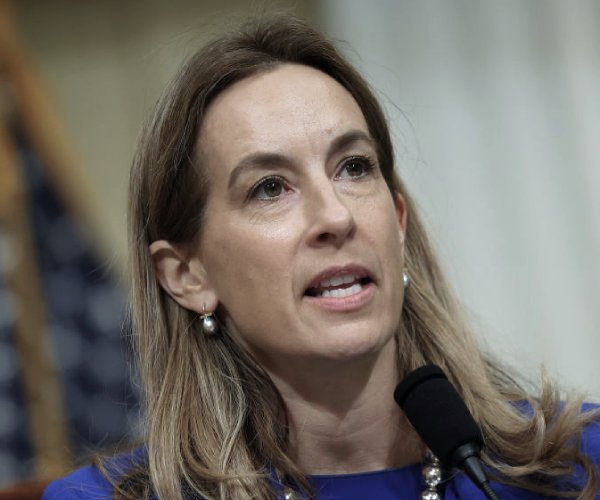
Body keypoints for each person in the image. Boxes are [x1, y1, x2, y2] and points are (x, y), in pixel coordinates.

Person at [44, 15, 600, 500]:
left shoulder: (575, 468)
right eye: (269, 188)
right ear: (188, 276)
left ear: (397, 222)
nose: (336, 216)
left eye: (353, 167)